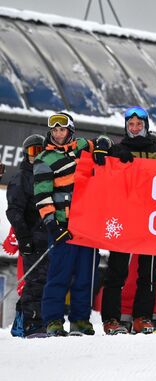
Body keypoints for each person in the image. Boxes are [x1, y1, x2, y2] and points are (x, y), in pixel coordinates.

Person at [33, 112, 111, 336]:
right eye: (55, 130)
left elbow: (102, 142)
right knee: (60, 274)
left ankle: (80, 319)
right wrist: (52, 225)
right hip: (63, 227)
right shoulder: (44, 160)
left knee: (86, 274)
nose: (58, 134)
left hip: (87, 224)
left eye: (62, 130)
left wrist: (102, 146)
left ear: (70, 131)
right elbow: (42, 196)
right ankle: (53, 320)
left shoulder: (80, 146)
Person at [100, 106, 156, 335]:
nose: (134, 129)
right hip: (123, 218)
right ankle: (111, 319)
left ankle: (143, 317)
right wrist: (106, 152)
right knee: (117, 271)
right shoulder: (118, 149)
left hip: (149, 220)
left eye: (138, 125)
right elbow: (100, 168)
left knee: (149, 273)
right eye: (131, 125)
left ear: (145, 126)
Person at [6, 134, 48, 337]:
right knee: (35, 281)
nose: (37, 156)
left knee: (45, 280)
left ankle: (21, 322)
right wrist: (24, 238)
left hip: (47, 237)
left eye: (41, 151)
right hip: (31, 238)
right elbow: (13, 211)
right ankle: (32, 323)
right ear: (26, 155)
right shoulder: (22, 178)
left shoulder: (48, 174)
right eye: (33, 152)